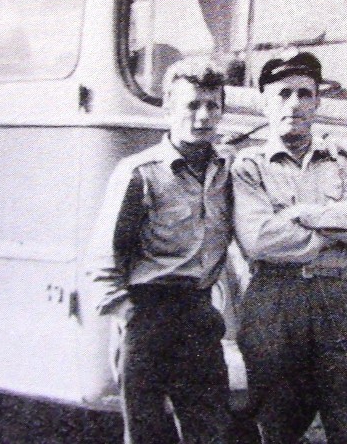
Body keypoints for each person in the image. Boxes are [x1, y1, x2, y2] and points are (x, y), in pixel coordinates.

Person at [232, 51, 347, 444]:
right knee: (276, 425)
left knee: (345, 419)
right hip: (273, 300)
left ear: (317, 101)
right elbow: (260, 239)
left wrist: (307, 214)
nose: (294, 104)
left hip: (334, 299)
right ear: (264, 101)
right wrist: (334, 231)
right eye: (282, 94)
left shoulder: (340, 159)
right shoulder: (249, 166)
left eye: (304, 93)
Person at [93, 57, 233, 444]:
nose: (203, 116)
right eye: (192, 105)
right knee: (147, 434)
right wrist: (128, 315)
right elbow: (105, 258)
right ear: (169, 108)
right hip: (147, 315)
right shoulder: (139, 172)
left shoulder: (229, 170)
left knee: (211, 431)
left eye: (212, 106)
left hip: (199, 315)